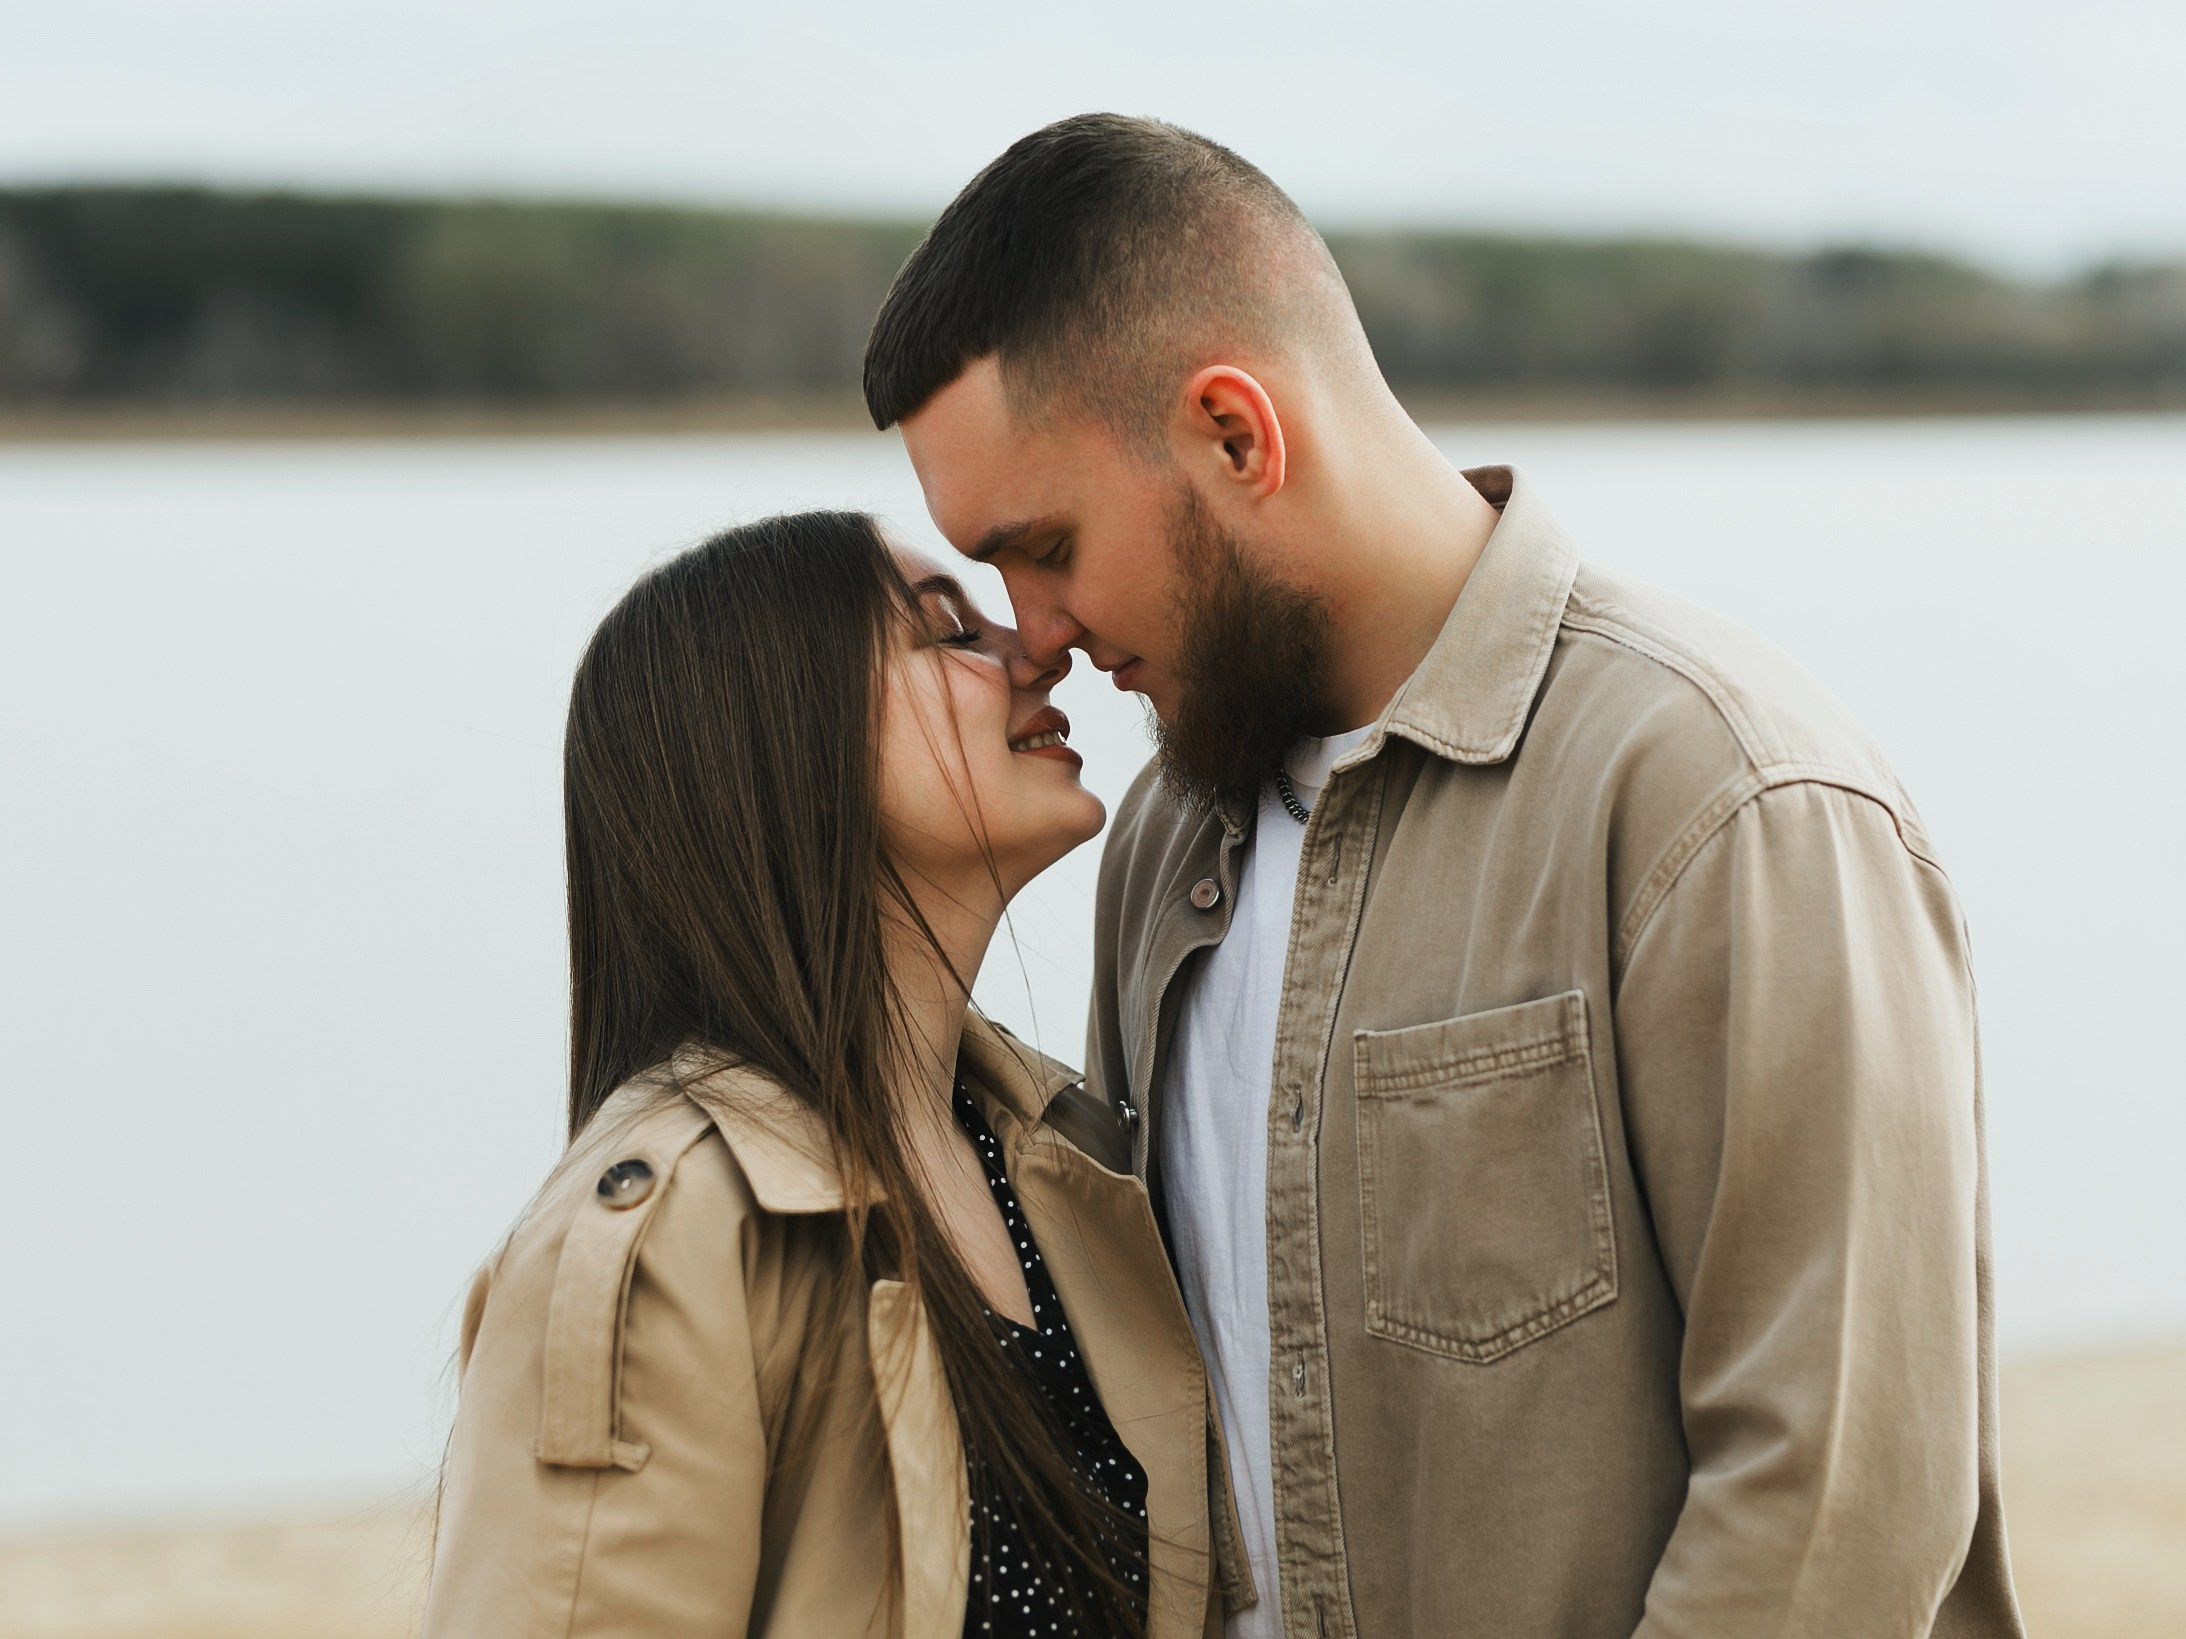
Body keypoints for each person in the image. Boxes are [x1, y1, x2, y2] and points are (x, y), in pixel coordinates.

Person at [865, 114, 2027, 1638]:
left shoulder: (1721, 798)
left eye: (1047, 544)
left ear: (1235, 433)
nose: (1035, 632)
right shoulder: (1167, 831)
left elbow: (1835, 1503)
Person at [423, 511, 1221, 1638]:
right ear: (784, 742)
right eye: (948, 632)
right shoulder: (668, 1240)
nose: (1039, 648)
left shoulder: (1063, 1161)